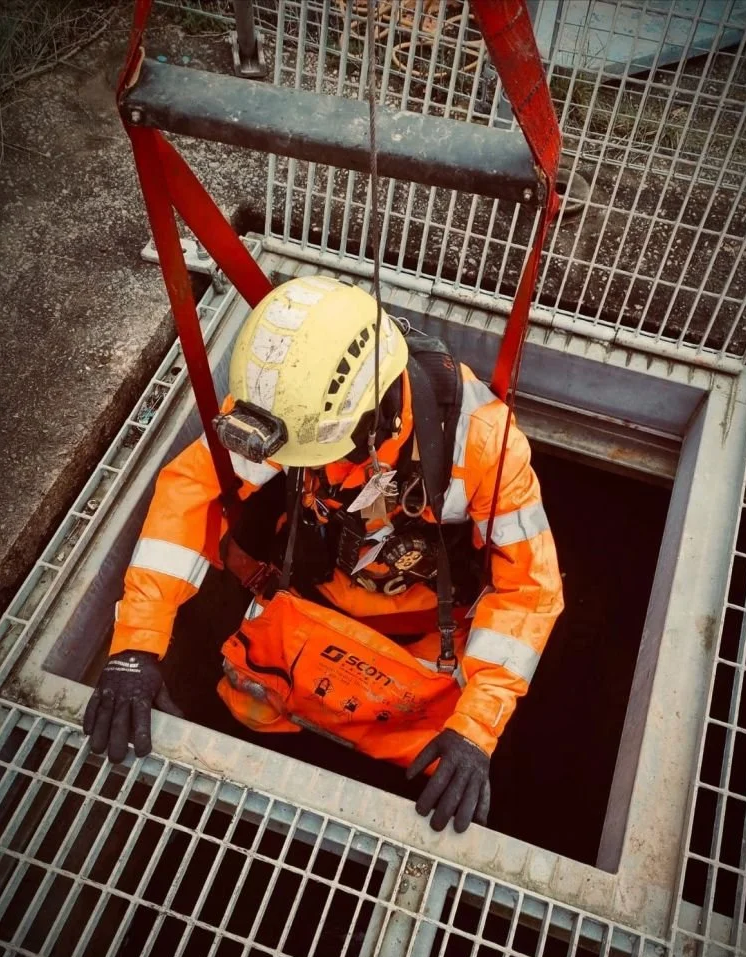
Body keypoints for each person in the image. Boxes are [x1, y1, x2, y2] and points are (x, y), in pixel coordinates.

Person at [84, 276, 564, 833]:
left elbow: (530, 589)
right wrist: (136, 647)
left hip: (424, 634)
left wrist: (476, 729)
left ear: (379, 414)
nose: (320, 466)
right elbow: (190, 491)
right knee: (251, 702)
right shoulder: (287, 401)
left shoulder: (480, 444)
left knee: (429, 757)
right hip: (313, 595)